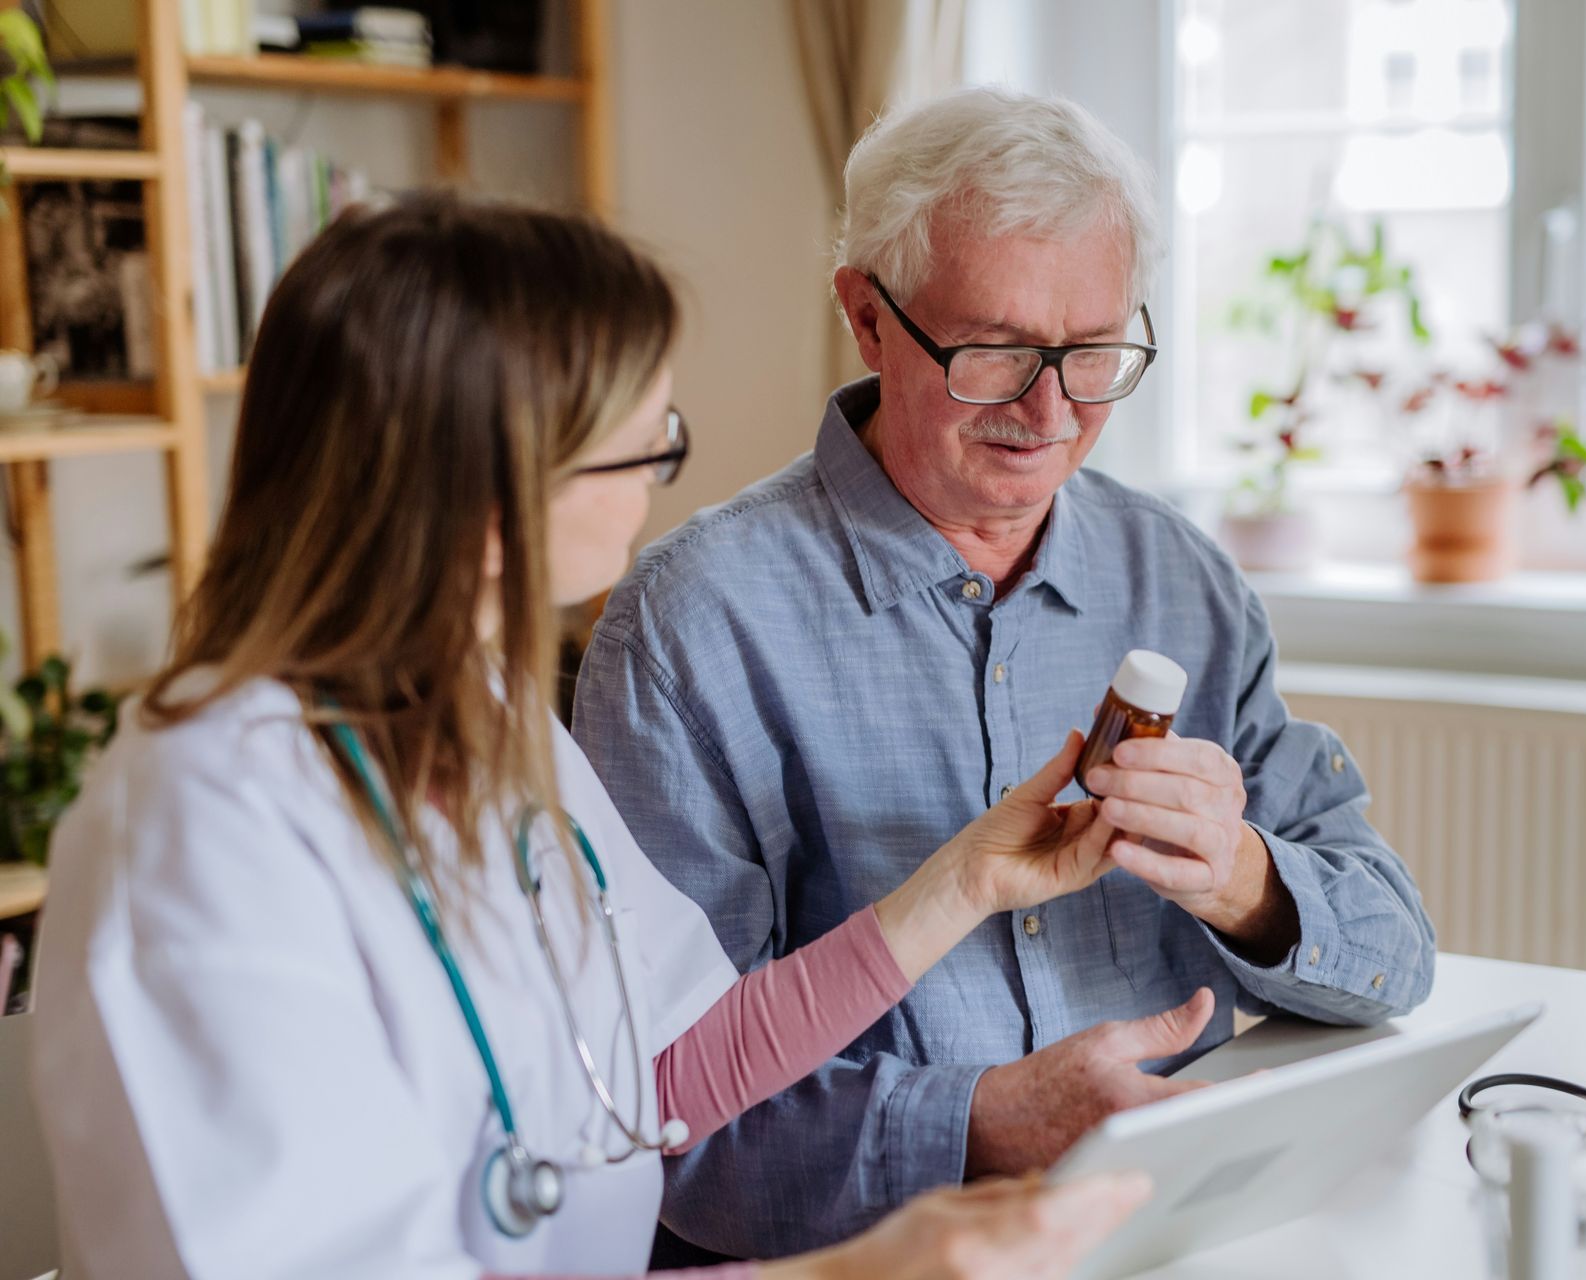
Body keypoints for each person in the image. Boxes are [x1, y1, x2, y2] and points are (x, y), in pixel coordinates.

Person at [27, 195, 1151, 1280]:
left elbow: (665, 1064)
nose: (662, 480)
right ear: (489, 488)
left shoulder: (482, 707)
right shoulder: (203, 818)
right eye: (644, 447)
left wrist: (962, 883)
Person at [573, 87, 1439, 1262]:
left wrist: (1244, 879)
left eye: (1093, 353)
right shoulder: (690, 626)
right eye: (995, 352)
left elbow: (1396, 949)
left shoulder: (1179, 576)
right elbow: (669, 1129)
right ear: (868, 320)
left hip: (1178, 1233)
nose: (1051, 411)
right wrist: (981, 1124)